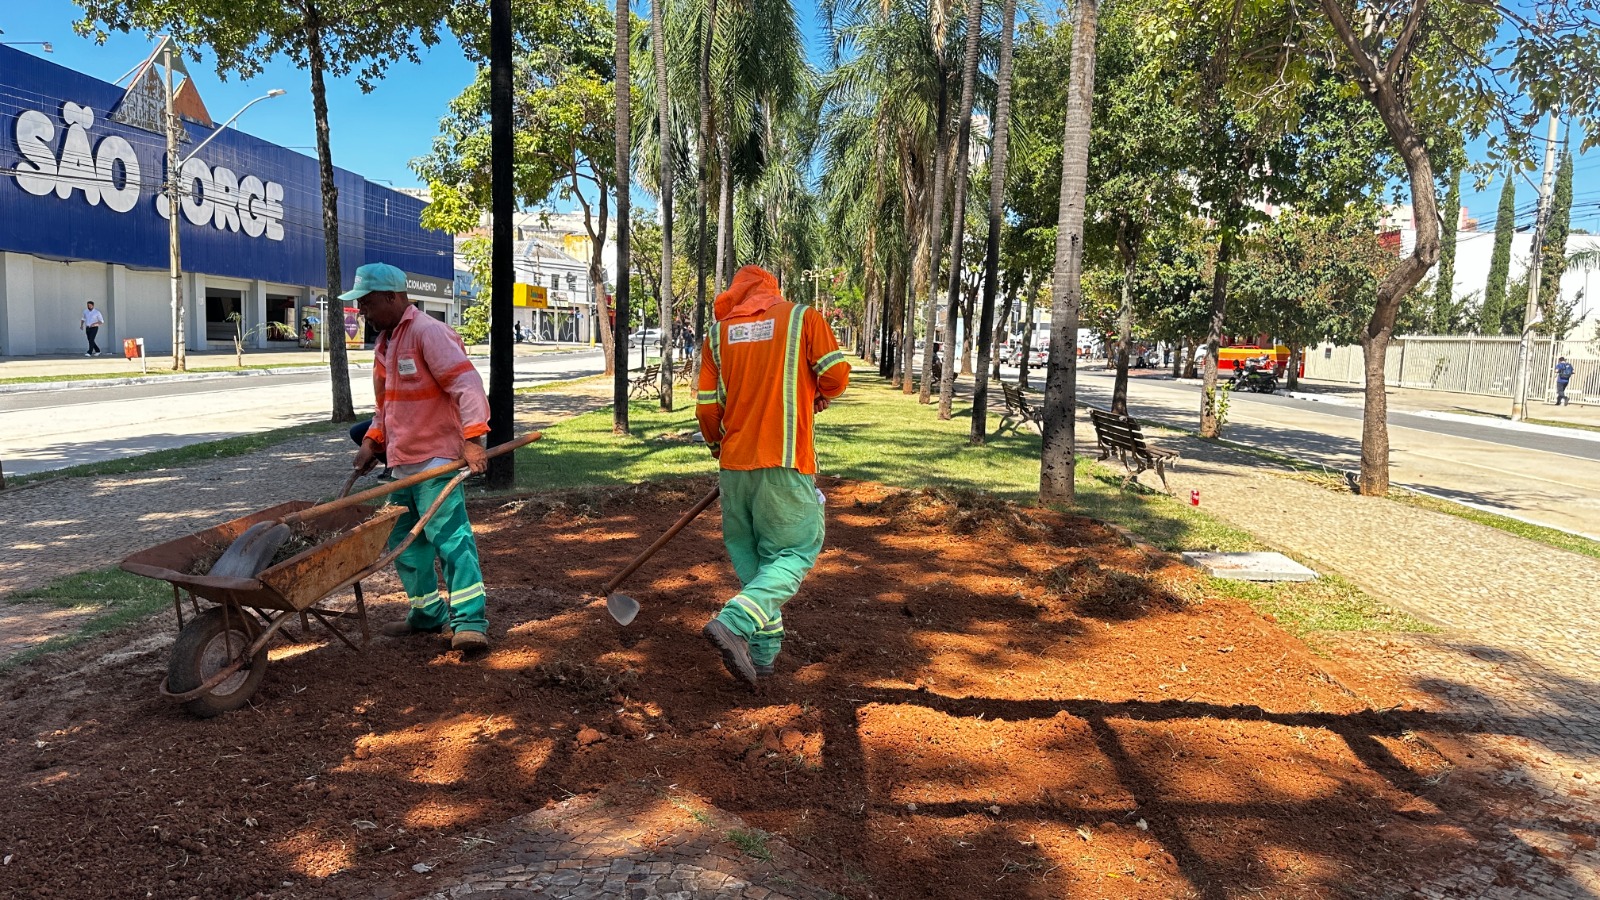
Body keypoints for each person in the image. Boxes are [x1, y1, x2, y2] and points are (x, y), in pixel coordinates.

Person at [696, 265, 851, 690]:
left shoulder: (718, 334)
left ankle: (763, 659)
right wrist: (818, 392)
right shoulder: (802, 318)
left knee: (755, 566)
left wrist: (718, 447)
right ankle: (734, 622)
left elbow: (707, 409)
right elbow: (836, 375)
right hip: (784, 463)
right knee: (795, 552)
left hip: (734, 468)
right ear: (772, 291)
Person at [344, 262, 494, 655]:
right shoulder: (384, 344)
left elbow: (467, 385)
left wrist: (474, 440)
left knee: (451, 540)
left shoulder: (429, 333)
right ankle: (426, 613)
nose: (362, 311)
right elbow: (386, 408)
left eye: (367, 302)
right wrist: (372, 443)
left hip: (435, 462)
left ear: (392, 297)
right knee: (405, 544)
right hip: (402, 463)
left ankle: (470, 622)